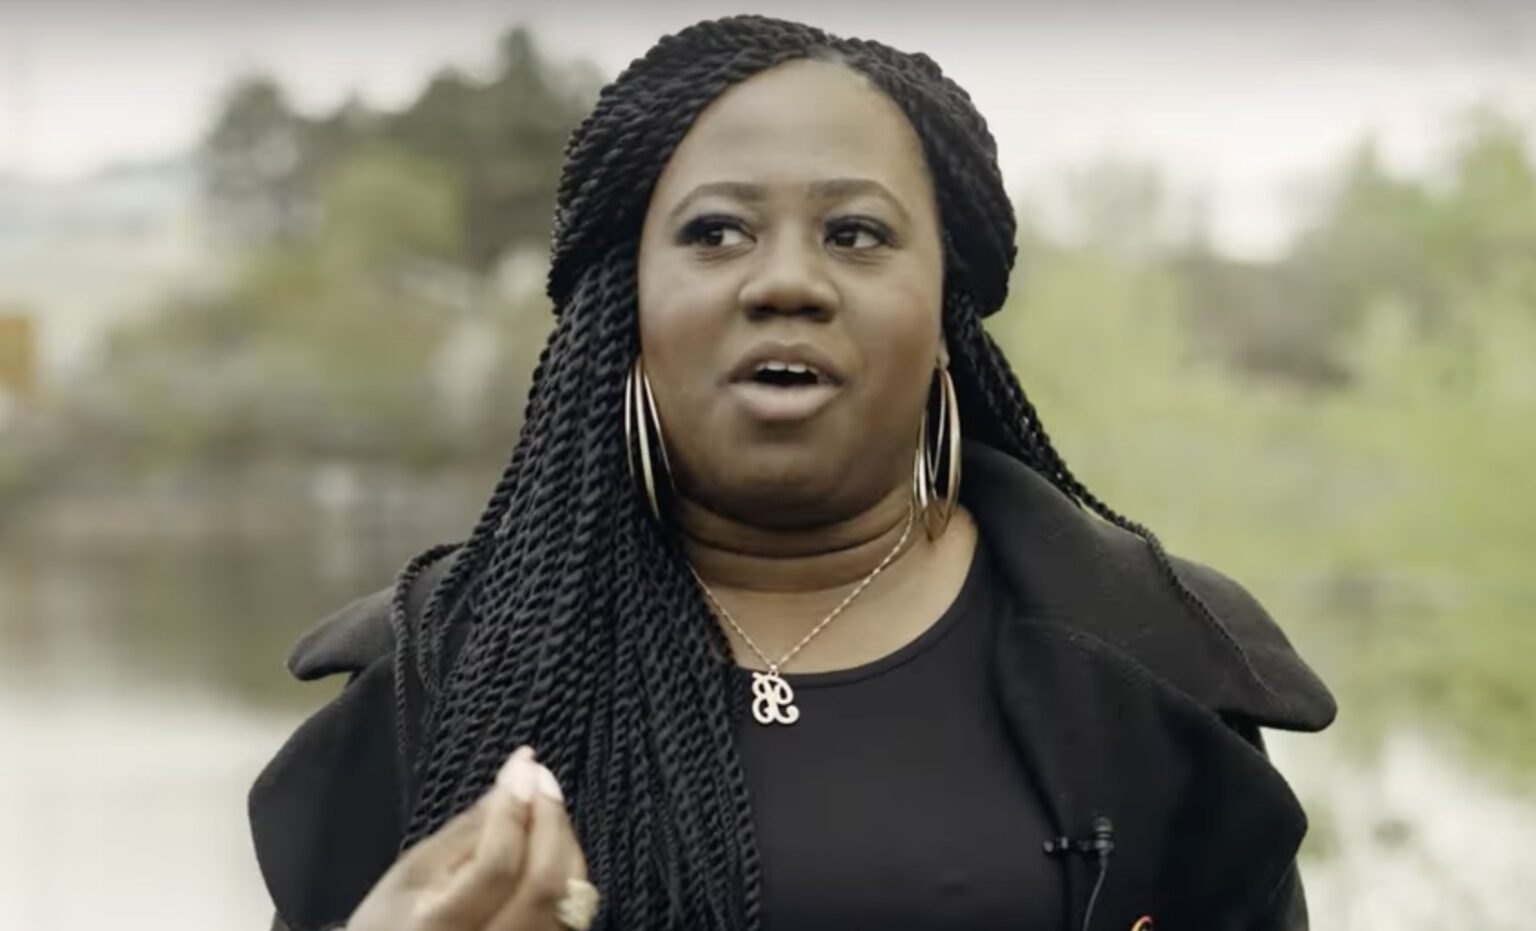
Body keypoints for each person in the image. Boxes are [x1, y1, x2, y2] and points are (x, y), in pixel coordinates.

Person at [249, 14, 1336, 931]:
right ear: (628, 314)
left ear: (945, 317)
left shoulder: (1149, 668)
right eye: (717, 232)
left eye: (855, 234)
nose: (785, 282)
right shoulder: (440, 679)